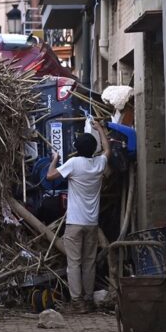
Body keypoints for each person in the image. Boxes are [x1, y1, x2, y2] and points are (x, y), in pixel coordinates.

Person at [46, 119, 111, 313]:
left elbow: (50, 176)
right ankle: (89, 300)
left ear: (77, 149)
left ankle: (77, 303)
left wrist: (55, 158)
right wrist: (99, 128)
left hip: (75, 223)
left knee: (74, 263)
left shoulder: (74, 163)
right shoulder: (99, 163)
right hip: (92, 223)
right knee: (89, 262)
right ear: (93, 149)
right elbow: (108, 150)